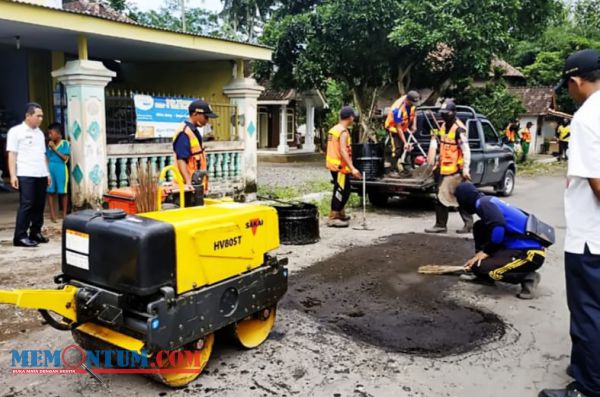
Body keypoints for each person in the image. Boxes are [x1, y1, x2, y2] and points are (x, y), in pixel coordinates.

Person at [539, 49, 600, 397]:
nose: (569, 93)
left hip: (591, 238)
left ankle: (588, 387)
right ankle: (587, 366)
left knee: (587, 312)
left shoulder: (587, 117)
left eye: (568, 86)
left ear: (576, 82)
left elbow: (597, 183)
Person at [455, 182, 549, 299]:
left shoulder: (484, 204)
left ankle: (528, 277)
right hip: (515, 248)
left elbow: (498, 228)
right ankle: (484, 277)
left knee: (482, 268)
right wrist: (480, 255)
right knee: (480, 226)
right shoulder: (488, 201)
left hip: (530, 254)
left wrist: (486, 252)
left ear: (465, 199)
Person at [424, 100, 473, 234]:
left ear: (453, 113)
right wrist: (436, 161)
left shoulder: (459, 129)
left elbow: (466, 150)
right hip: (444, 168)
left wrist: (465, 169)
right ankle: (443, 224)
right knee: (442, 196)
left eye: (447, 113)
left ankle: (464, 224)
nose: (444, 115)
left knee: (458, 196)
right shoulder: (443, 127)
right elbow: (443, 147)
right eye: (443, 113)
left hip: (456, 170)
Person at [6, 103, 51, 247]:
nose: (41, 119)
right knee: (27, 204)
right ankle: (20, 236)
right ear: (28, 116)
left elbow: (43, 154)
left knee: (39, 205)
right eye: (38, 116)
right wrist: (13, 175)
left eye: (42, 116)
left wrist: (47, 173)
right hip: (26, 174)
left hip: (41, 173)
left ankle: (35, 232)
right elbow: (12, 154)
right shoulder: (16, 131)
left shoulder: (39, 133)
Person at [325, 106, 362, 228]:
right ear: (350, 117)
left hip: (334, 165)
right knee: (342, 191)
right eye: (353, 117)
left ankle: (340, 213)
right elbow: (343, 150)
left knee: (341, 188)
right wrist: (353, 168)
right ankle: (333, 217)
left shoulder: (334, 129)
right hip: (340, 167)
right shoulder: (343, 132)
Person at [173, 99, 217, 191]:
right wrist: (188, 183)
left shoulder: (194, 131)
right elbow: (181, 160)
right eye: (205, 117)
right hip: (187, 187)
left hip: (196, 184)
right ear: (195, 114)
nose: (207, 121)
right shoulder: (184, 132)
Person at [384, 90, 420, 172]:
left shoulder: (412, 103)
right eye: (412, 103)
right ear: (408, 100)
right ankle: (392, 170)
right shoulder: (397, 109)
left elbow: (414, 112)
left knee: (409, 147)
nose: (414, 105)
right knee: (397, 149)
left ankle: (406, 166)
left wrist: (414, 125)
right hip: (393, 128)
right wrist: (405, 142)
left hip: (404, 126)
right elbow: (398, 127)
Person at [46, 123, 70, 223]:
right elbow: (47, 158)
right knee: (50, 192)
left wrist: (54, 149)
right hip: (51, 169)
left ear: (59, 134)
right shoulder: (49, 144)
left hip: (61, 169)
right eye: (49, 134)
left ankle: (64, 214)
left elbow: (65, 158)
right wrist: (46, 171)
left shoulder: (65, 144)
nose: (49, 136)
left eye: (51, 133)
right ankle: (53, 214)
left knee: (63, 192)